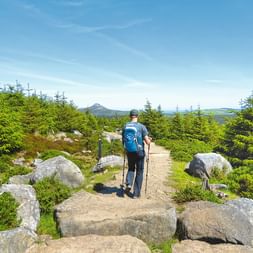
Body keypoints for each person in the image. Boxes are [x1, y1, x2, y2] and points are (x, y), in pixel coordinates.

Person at [122, 109, 151, 198]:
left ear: (130, 116)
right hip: (139, 152)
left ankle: (129, 183)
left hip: (129, 151)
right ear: (137, 116)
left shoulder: (125, 126)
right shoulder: (141, 127)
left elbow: (123, 139)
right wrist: (149, 140)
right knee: (139, 171)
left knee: (131, 168)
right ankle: (136, 194)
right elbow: (147, 142)